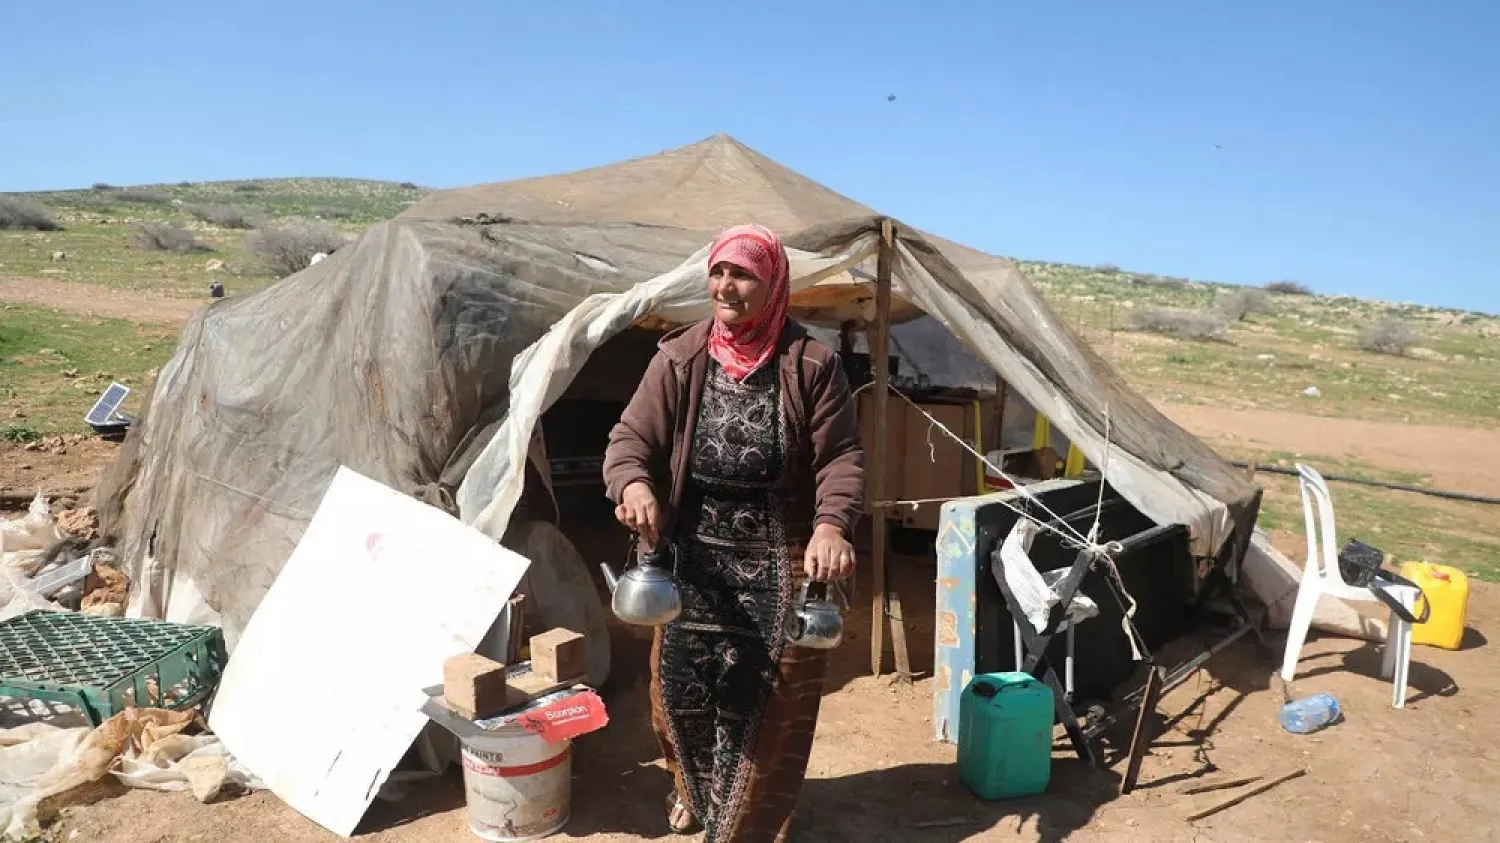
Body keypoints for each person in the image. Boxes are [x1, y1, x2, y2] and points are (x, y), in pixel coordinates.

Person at [602, 223, 865, 842]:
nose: (726, 285)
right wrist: (634, 486)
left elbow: (842, 458)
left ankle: (738, 826)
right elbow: (630, 441)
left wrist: (832, 526)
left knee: (763, 714)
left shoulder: (812, 365)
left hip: (784, 557)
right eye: (719, 272)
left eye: (743, 273)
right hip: (690, 557)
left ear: (772, 284)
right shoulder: (680, 356)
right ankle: (694, 790)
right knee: (681, 698)